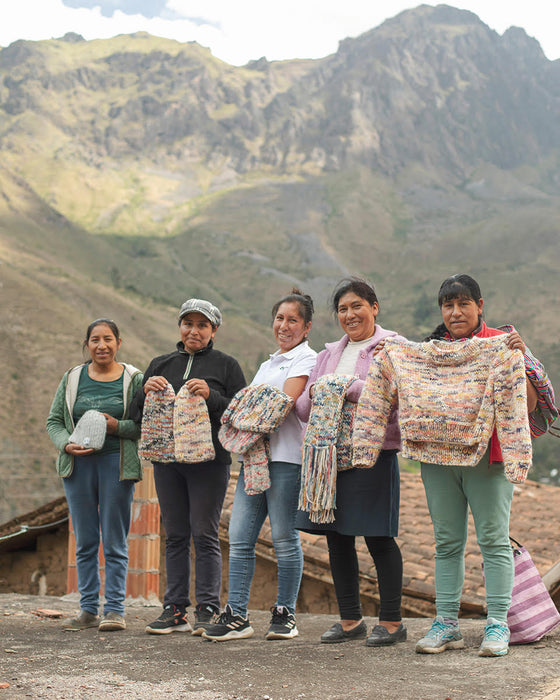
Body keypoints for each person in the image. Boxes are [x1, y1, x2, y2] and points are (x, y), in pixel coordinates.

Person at [413, 273, 541, 657]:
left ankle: (497, 624)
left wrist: (521, 357)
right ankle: (446, 624)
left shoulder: (501, 345)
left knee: (493, 540)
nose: (455, 312)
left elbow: (531, 405)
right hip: (438, 459)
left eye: (463, 303)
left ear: (479, 306)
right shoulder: (429, 352)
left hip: (489, 458)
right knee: (447, 542)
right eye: (448, 305)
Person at [295, 277, 406, 647]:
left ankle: (391, 621)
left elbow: (396, 397)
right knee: (337, 538)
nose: (350, 314)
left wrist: (344, 388)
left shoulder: (393, 346)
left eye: (357, 305)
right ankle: (349, 619)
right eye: (343, 308)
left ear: (374, 307)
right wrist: (318, 391)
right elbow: (304, 409)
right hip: (327, 459)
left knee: (378, 537)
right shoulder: (328, 354)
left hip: (372, 455)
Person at [202, 289, 316, 641]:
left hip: (286, 458)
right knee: (239, 539)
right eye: (279, 318)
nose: (284, 325)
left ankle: (285, 615)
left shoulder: (307, 360)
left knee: (284, 538)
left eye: (292, 320)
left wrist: (250, 407)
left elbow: (281, 404)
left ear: (307, 326)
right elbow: (243, 409)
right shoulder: (268, 364)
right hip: (254, 458)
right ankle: (236, 614)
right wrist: (250, 408)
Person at [131, 299, 246, 636]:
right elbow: (138, 415)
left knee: (205, 533)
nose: (194, 331)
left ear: (213, 331)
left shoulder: (226, 366)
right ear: (180, 327)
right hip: (167, 461)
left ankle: (208, 608)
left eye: (202, 325)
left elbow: (240, 413)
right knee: (176, 534)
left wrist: (211, 395)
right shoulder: (160, 363)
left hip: (209, 464)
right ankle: (174, 608)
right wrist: (144, 391)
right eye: (188, 323)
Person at [46, 319, 144, 631]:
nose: (101, 345)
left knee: (114, 539)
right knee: (86, 540)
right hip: (78, 468)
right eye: (94, 340)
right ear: (87, 344)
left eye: (107, 339)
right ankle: (88, 610)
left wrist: (116, 426)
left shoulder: (133, 380)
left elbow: (143, 426)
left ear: (118, 342)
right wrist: (66, 443)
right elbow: (54, 422)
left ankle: (114, 610)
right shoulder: (73, 378)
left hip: (115, 463)